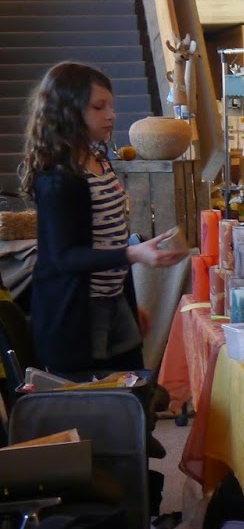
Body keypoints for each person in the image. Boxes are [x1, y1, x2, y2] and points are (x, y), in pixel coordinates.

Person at [20, 61, 188, 375]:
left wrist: (125, 301)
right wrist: (134, 253)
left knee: (134, 397)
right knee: (98, 408)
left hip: (111, 306)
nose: (111, 115)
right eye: (99, 107)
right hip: (75, 316)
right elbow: (64, 257)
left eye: (111, 105)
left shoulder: (99, 161)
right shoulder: (59, 176)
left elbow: (109, 238)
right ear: (69, 110)